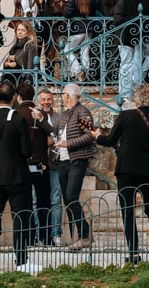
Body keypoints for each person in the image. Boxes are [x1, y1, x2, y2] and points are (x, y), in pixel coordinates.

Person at [91, 84, 149, 264]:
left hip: (126, 170)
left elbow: (110, 140)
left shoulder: (126, 116)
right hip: (148, 171)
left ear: (137, 99)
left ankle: (134, 253)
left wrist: (96, 136)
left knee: (127, 210)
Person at [0, 82, 42, 275]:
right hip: (17, 177)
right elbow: (26, 150)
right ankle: (21, 261)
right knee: (20, 218)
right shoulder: (18, 120)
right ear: (14, 98)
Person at [52, 83, 94, 250]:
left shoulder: (82, 112)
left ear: (68, 96)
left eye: (63, 94)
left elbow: (90, 134)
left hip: (77, 160)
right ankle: (77, 237)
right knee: (67, 200)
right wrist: (40, 120)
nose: (62, 97)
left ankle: (85, 236)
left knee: (71, 197)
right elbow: (55, 132)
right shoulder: (65, 114)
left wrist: (67, 144)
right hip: (63, 161)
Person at [15, 82, 52, 247]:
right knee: (44, 201)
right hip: (41, 163)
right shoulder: (40, 114)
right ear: (33, 97)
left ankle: (28, 238)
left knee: (26, 202)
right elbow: (51, 134)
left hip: (23, 164)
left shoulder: (16, 114)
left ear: (19, 97)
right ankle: (46, 237)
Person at [37, 89, 63, 247]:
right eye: (43, 99)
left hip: (54, 163)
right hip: (38, 164)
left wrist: (47, 140)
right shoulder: (33, 116)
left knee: (55, 200)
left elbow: (58, 138)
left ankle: (55, 233)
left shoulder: (59, 117)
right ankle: (36, 235)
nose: (46, 102)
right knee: (35, 200)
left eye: (49, 99)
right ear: (38, 100)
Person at [64, 0, 96, 81]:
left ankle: (78, 71)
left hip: (78, 29)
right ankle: (86, 76)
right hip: (89, 28)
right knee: (85, 52)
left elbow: (67, 13)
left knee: (67, 50)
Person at [2, 20, 38, 86]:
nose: (20, 32)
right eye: (18, 30)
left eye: (23, 30)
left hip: (22, 79)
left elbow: (30, 64)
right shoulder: (15, 45)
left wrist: (27, 81)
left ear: (28, 32)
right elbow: (7, 60)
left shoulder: (29, 44)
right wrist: (8, 63)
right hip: (12, 79)